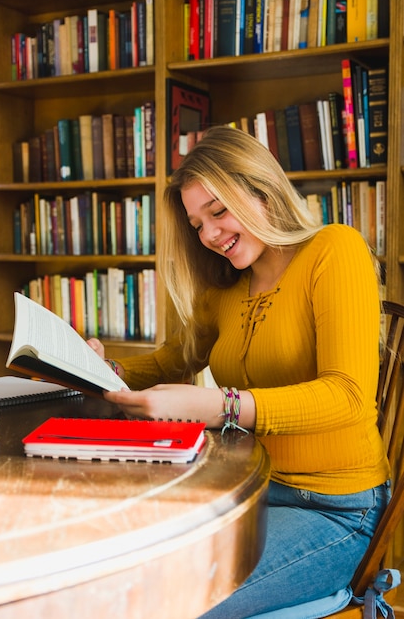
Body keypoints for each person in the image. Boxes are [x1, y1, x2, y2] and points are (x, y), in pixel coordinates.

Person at [87, 126, 390, 617]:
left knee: (173, 602)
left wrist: (220, 405)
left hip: (336, 510)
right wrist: (102, 369)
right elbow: (169, 364)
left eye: (218, 211)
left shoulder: (335, 250)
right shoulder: (226, 288)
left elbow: (349, 396)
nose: (208, 235)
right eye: (196, 223)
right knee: (116, 567)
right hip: (247, 490)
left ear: (262, 191)